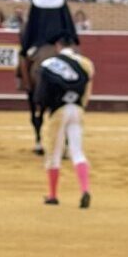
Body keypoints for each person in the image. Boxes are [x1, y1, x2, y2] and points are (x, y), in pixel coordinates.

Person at [34, 34, 95, 209]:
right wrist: (81, 107)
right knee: (77, 151)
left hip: (58, 111)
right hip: (77, 110)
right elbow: (87, 91)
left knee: (54, 153)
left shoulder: (49, 64)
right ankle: (85, 189)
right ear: (72, 46)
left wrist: (41, 108)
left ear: (58, 46)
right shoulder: (85, 64)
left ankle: (53, 195)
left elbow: (42, 92)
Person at [19, 0, 77, 85]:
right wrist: (73, 38)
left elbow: (32, 25)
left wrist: (26, 45)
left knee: (23, 58)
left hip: (40, 41)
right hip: (60, 41)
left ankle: (26, 84)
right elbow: (67, 19)